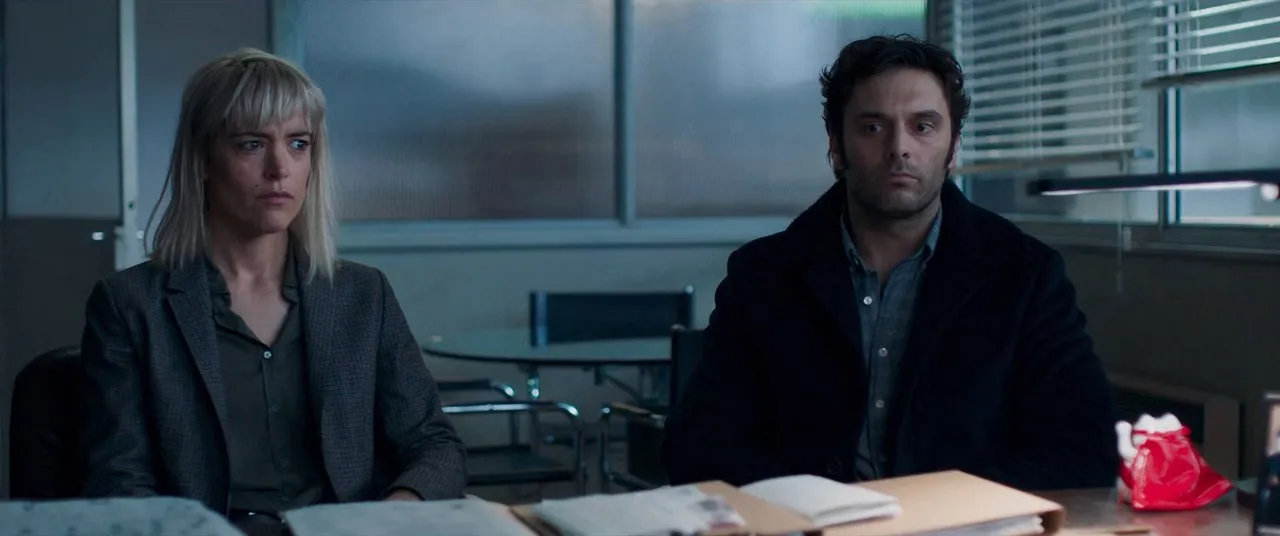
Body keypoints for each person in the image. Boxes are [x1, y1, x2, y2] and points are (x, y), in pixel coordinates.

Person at [662, 35, 1119, 491]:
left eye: (923, 126)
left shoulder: (1024, 274)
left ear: (953, 147)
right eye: (872, 127)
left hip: (962, 522)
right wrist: (811, 505)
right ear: (836, 147)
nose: (900, 148)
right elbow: (698, 446)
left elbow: (1085, 448)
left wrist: (936, 506)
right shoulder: (763, 276)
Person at [79, 48, 467, 531]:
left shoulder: (363, 295)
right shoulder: (131, 305)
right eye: (251, 144)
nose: (279, 167)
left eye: (298, 143)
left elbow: (433, 444)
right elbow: (119, 479)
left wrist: (392, 514)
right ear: (202, 159)